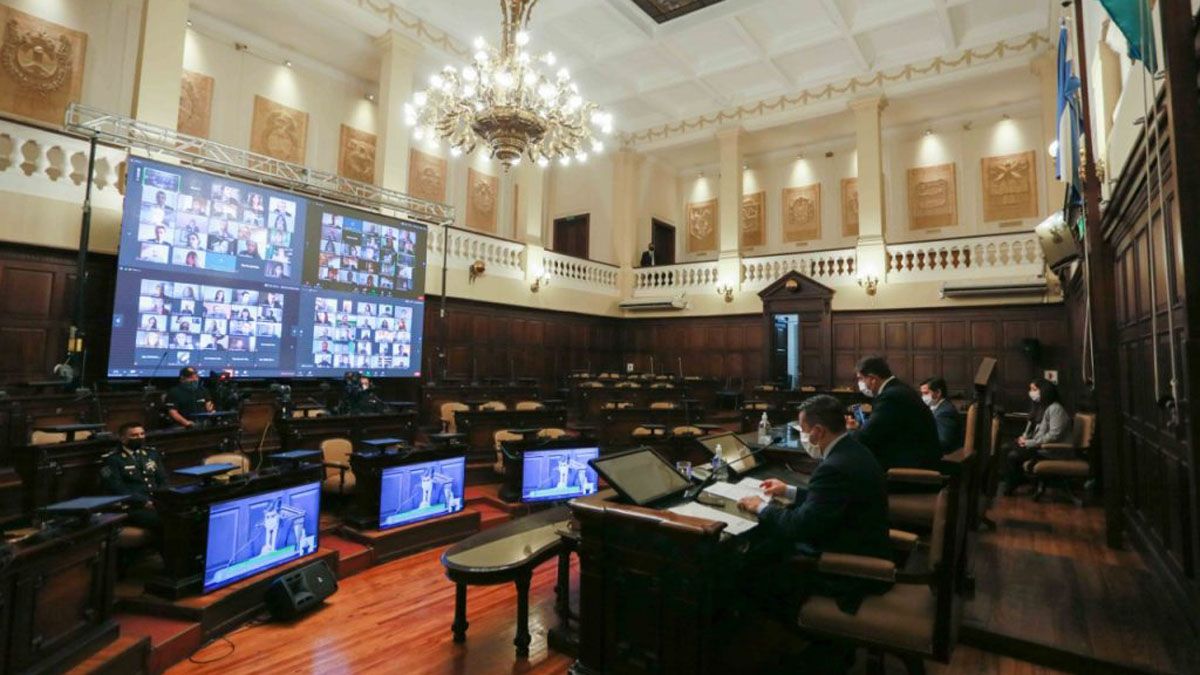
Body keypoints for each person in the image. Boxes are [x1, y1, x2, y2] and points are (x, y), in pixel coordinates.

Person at [735, 395, 891, 636]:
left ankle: (779, 644)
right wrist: (788, 490)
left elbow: (800, 526)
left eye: (804, 430)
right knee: (767, 548)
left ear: (818, 431)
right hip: (861, 543)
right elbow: (832, 500)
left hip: (848, 572)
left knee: (750, 569)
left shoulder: (833, 467)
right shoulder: (853, 449)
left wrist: (761, 507)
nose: (803, 437)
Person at [848, 356, 940, 470]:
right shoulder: (898, 388)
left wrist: (846, 432)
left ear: (872, 379)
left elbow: (866, 437)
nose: (859, 383)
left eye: (860, 378)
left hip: (910, 468)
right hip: (915, 458)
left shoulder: (891, 396)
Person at [100, 422, 169, 547]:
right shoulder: (112, 460)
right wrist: (144, 502)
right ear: (122, 438)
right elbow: (117, 488)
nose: (140, 437)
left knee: (180, 517)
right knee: (164, 522)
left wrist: (161, 499)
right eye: (134, 435)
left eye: (142, 434)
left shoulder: (151, 454)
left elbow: (163, 479)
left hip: (156, 503)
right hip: (133, 507)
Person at [1004, 378, 1072, 495]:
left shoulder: (1055, 409)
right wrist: (1026, 439)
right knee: (1006, 447)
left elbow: (1054, 435)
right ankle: (1017, 481)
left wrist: (1030, 443)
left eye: (1034, 389)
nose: (1031, 393)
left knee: (1012, 455)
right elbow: (1039, 432)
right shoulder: (1043, 407)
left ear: (1044, 391)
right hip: (1041, 446)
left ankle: (1015, 483)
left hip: (1052, 450)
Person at [921, 376, 963, 455]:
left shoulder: (944, 413)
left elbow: (943, 442)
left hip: (945, 458)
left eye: (926, 393)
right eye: (922, 393)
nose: (923, 397)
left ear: (938, 393)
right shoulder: (940, 408)